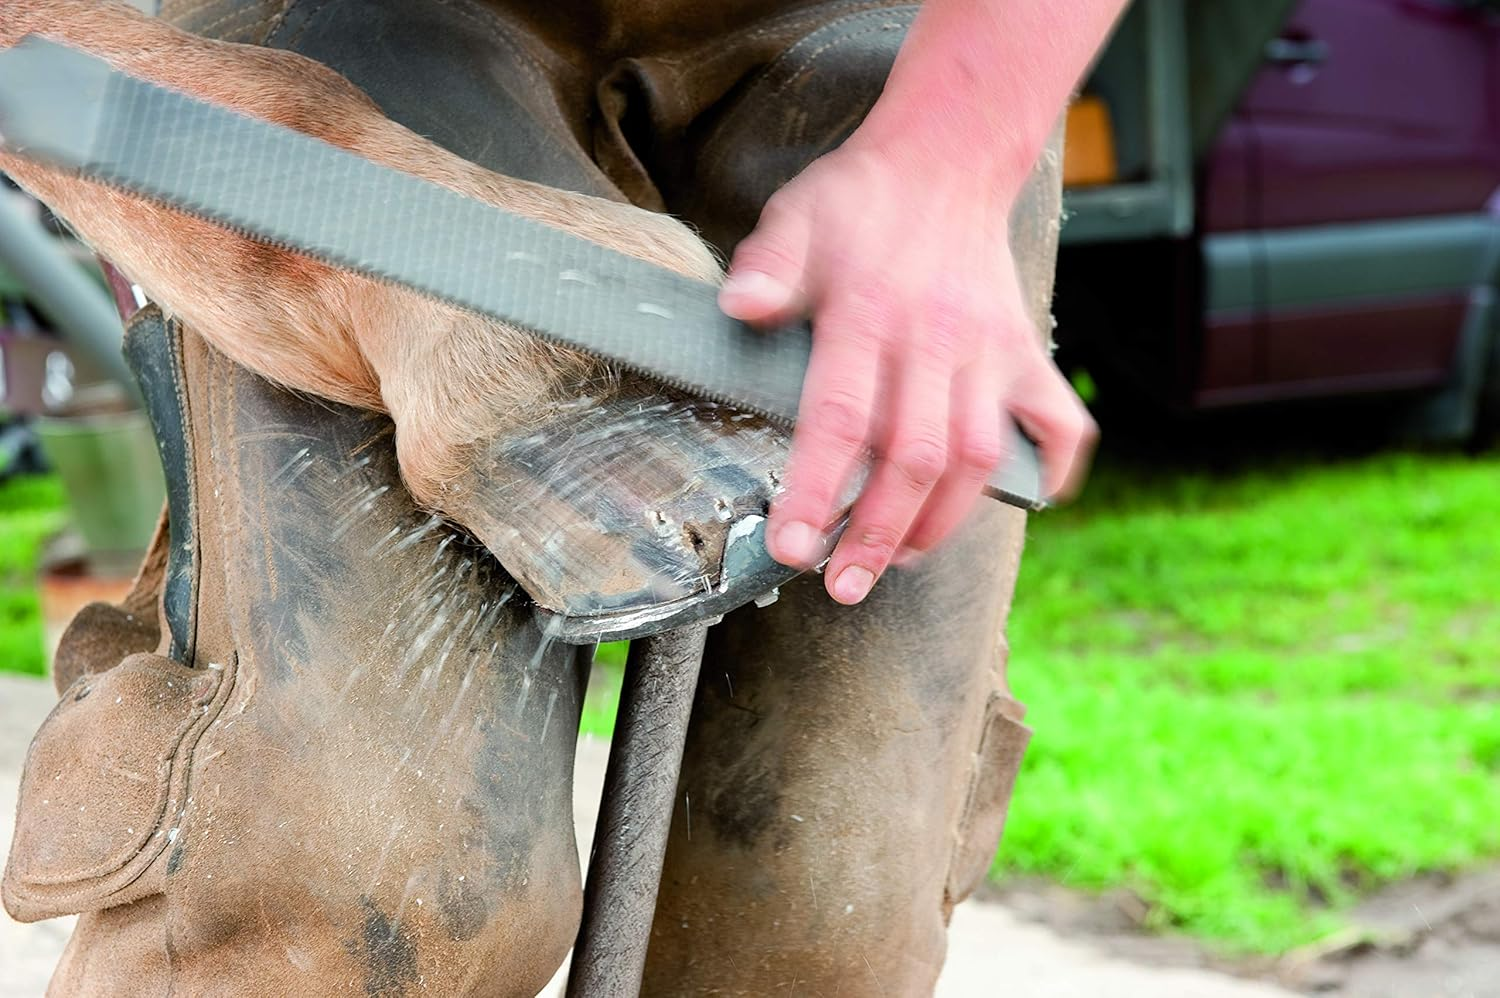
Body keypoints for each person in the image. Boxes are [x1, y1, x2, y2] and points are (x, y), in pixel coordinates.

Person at [1, 0, 1122, 993]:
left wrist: (955, 160)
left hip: (905, 57)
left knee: (818, 906)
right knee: (339, 892)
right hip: (365, 32)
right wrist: (279, 179)